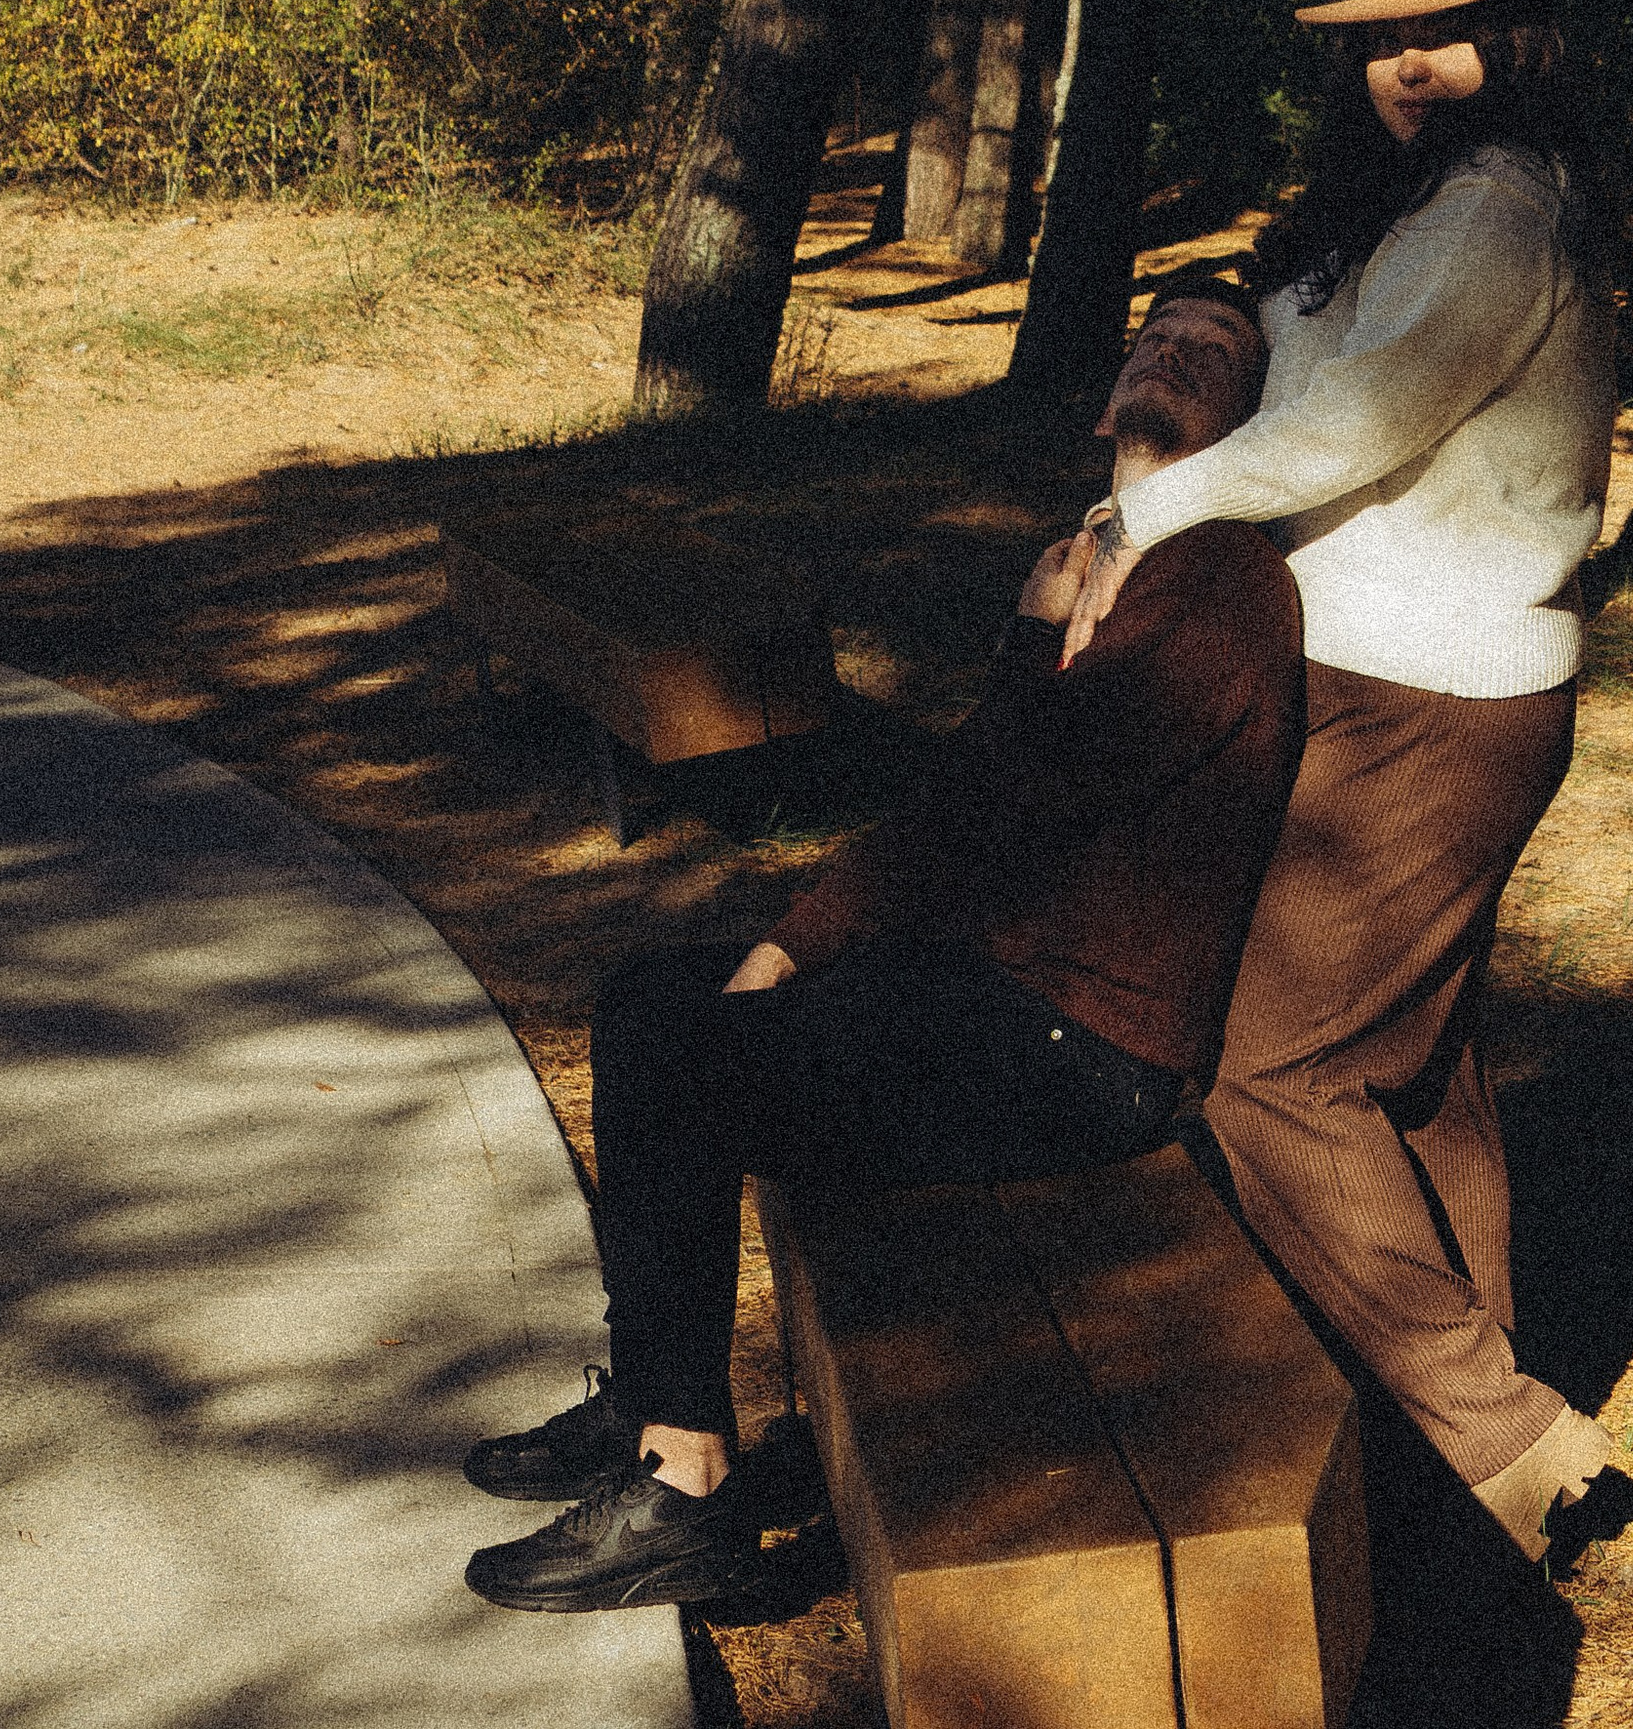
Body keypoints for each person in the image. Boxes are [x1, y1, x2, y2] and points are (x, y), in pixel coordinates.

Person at [461, 271, 1295, 1616]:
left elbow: (1029, 798)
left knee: (687, 1054)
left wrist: (1031, 652)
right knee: (651, 995)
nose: (1183, 354)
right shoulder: (1106, 549)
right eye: (1163, 331)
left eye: (1220, 352)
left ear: (1251, 420)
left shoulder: (1222, 581)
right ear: (1111, 387)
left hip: (1087, 1052)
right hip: (991, 997)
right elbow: (963, 812)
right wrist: (790, 949)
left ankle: (682, 1487)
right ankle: (651, 1406)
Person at [1063, 0, 1618, 1566]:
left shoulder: (1498, 212)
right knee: (1410, 1067)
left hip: (1437, 698)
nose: (1411, 66)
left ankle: (1506, 1442)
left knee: (1271, 1069)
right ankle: (1456, 1441)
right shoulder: (1413, 207)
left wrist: (1133, 528)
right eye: (1386, 41)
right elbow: (1305, 361)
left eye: (1444, 37)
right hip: (1389, 680)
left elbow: (1361, 421)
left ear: (1513, 43)